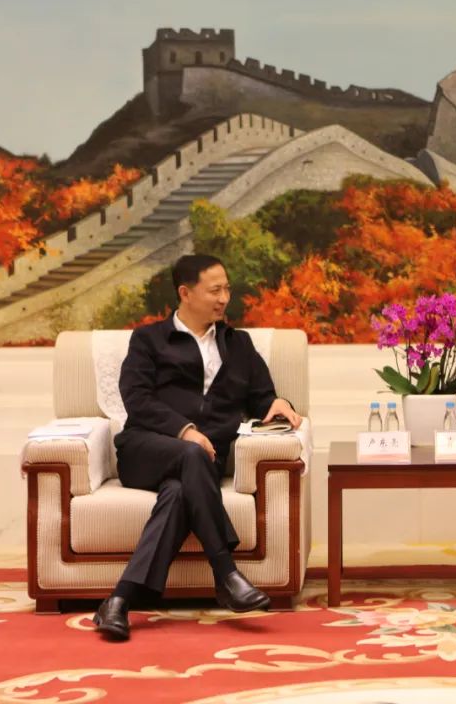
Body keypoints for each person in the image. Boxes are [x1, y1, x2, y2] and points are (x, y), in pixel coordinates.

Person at [93, 254, 302, 641]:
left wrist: (278, 404)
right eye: (214, 290)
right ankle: (226, 573)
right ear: (185, 293)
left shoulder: (238, 344)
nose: (224, 298)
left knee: (177, 494)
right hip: (145, 451)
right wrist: (185, 431)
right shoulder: (149, 340)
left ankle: (118, 601)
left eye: (227, 289)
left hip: (204, 462)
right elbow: (136, 399)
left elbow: (261, 396)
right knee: (191, 455)